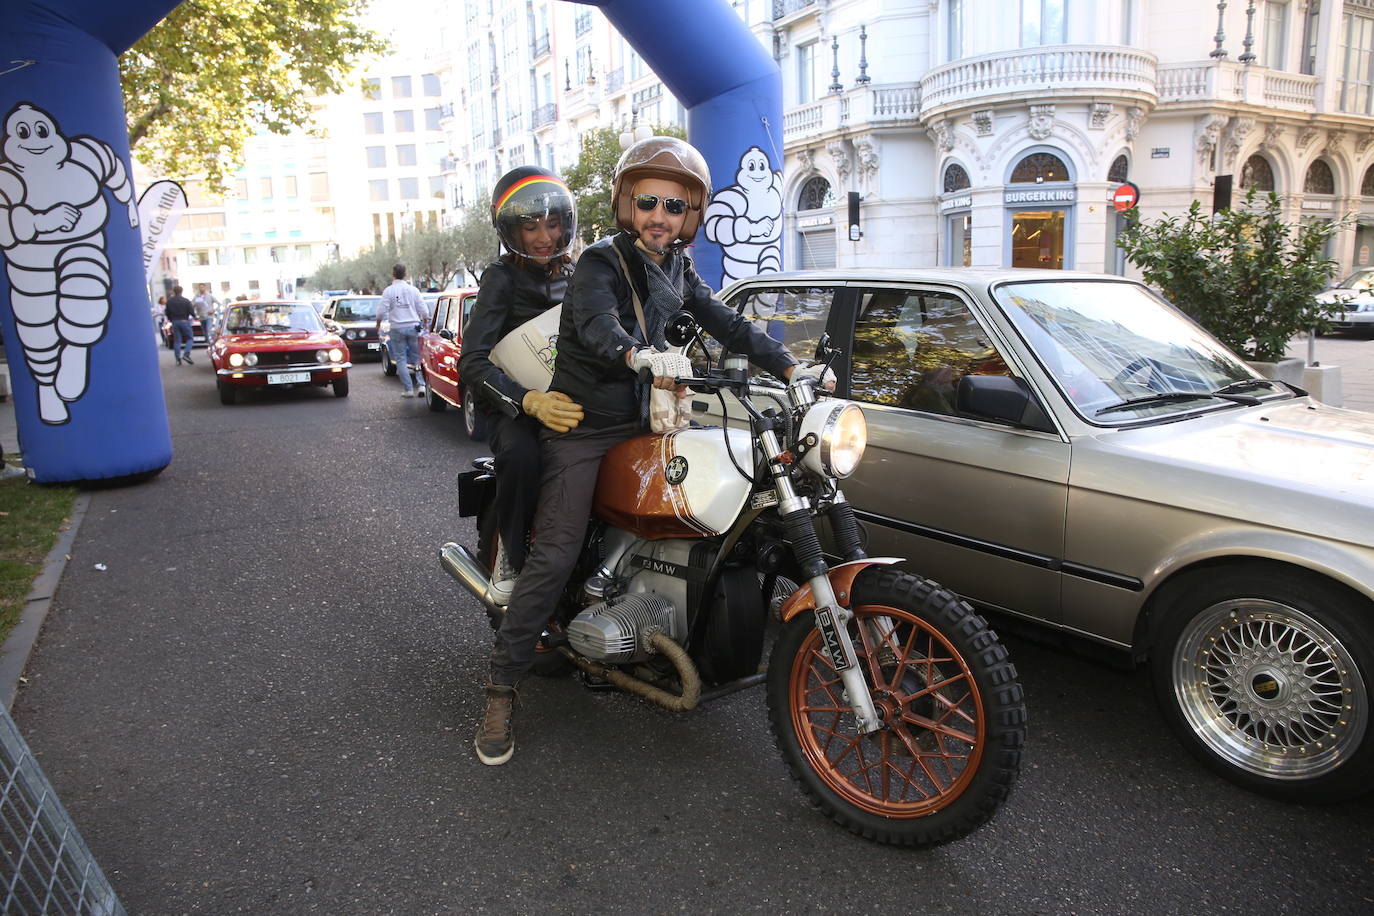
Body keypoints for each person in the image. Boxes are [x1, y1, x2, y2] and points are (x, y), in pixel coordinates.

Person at [475, 137, 830, 766]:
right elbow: (594, 323)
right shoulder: (599, 264)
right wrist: (635, 354)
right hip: (585, 426)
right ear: (624, 203)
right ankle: (503, 684)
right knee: (554, 553)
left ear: (691, 214)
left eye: (674, 204)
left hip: (649, 418)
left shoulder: (677, 268)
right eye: (647, 201)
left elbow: (729, 323)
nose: (659, 215)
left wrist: (789, 363)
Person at [458, 166, 583, 605]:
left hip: (573, 397)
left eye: (551, 224)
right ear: (511, 230)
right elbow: (471, 361)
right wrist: (526, 400)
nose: (544, 236)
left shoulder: (578, 274)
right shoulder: (501, 279)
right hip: (513, 408)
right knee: (524, 454)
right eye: (530, 226)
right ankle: (511, 553)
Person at [374, 264, 430, 397]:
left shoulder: (389, 291)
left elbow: (381, 311)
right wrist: (425, 323)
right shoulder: (413, 290)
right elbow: (424, 310)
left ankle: (408, 389)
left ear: (393, 274)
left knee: (400, 359)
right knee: (417, 357)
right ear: (405, 274)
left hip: (397, 328)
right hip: (413, 327)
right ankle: (421, 385)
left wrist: (378, 324)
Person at [163, 285, 195, 365]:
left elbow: (167, 312)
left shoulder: (169, 301)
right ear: (181, 291)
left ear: (174, 291)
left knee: (177, 341)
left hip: (175, 322)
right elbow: (191, 311)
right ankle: (186, 354)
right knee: (190, 338)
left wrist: (171, 319)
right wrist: (195, 317)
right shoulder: (186, 301)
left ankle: (177, 359)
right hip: (184, 321)